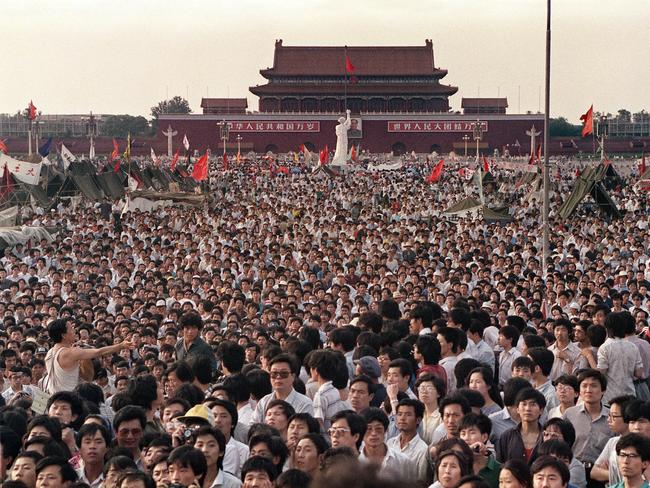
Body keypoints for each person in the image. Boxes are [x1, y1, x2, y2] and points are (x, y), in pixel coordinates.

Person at [43, 319, 131, 394]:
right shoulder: (71, 352)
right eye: (71, 329)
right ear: (64, 335)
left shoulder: (50, 352)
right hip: (69, 399)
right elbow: (99, 352)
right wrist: (121, 345)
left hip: (53, 399)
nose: (74, 331)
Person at [563, 370, 614, 483]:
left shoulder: (612, 417)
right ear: (579, 390)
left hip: (599, 473)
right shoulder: (569, 414)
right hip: (573, 471)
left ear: (603, 390)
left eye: (594, 386)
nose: (588, 390)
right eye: (584, 386)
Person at [598, 312, 644, 404]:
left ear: (607, 327)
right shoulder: (632, 346)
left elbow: (601, 373)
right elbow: (639, 373)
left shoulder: (605, 347)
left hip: (610, 396)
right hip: (629, 394)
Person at [251, 354, 313, 424]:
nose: (278, 377)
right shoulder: (264, 402)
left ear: (293, 376)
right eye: (274, 373)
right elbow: (253, 427)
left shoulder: (304, 404)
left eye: (284, 373)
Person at [592, 395, 636, 486]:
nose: (609, 420)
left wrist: (611, 470)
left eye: (614, 416)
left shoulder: (642, 445)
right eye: (609, 415)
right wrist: (613, 473)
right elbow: (594, 472)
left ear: (628, 417)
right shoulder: (613, 442)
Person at [359, 407, 413, 480]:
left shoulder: (402, 461)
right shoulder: (355, 463)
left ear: (386, 430)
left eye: (378, 429)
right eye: (368, 429)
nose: (373, 433)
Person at [496, 388, 546, 464]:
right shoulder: (507, 436)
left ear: (541, 410)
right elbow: (500, 464)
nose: (528, 409)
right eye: (524, 404)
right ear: (517, 409)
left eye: (533, 404)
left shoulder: (546, 436)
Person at [386, 398, 429, 483]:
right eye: (399, 414)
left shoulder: (423, 449)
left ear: (418, 420)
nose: (402, 418)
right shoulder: (390, 442)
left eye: (408, 415)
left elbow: (421, 480)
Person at [459, 413, 502, 488]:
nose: (466, 438)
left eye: (472, 433)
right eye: (463, 434)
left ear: (484, 437)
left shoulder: (498, 469)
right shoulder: (457, 465)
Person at [75, 423, 110, 488]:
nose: (92, 446)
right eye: (87, 442)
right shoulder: (73, 478)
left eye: (98, 442)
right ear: (79, 449)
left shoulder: (112, 479)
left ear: (107, 448)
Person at [415, 373, 445, 444]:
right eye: (422, 388)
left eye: (429, 388)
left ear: (438, 393)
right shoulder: (416, 413)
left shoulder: (442, 415)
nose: (424, 392)